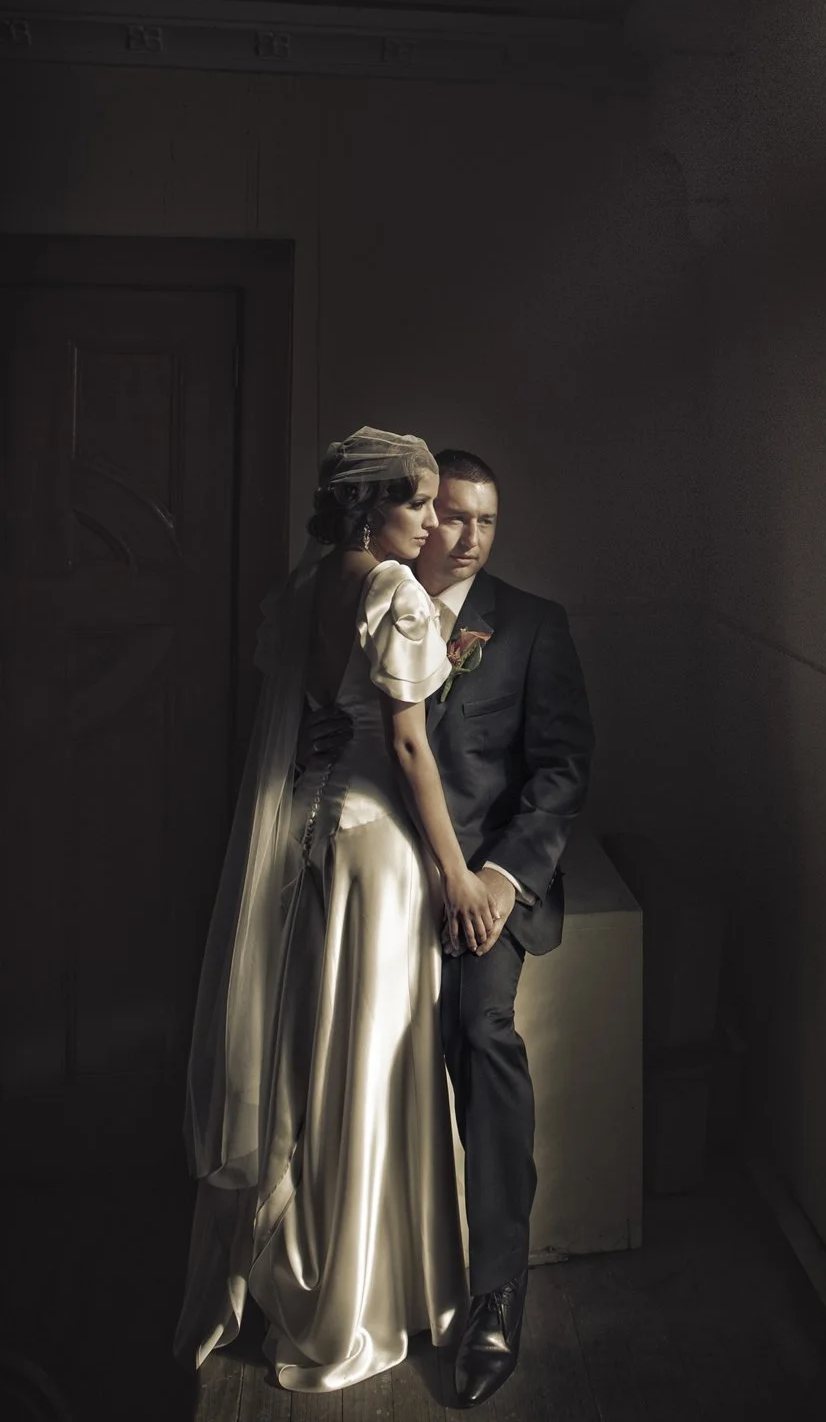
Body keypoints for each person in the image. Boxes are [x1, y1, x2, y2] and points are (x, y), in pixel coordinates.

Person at [175, 427, 502, 1393]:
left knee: (322, 1049)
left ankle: (320, 1265)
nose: (439, 523)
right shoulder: (393, 590)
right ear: (371, 508)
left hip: (315, 830)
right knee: (373, 1053)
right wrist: (455, 872)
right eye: (423, 507)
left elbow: (317, 705)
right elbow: (406, 749)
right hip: (381, 846)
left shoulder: (310, 582)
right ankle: (363, 1291)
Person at [300, 446, 594, 1408]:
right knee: (350, 1046)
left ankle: (498, 1290)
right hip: (384, 869)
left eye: (486, 522)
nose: (465, 538)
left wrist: (502, 880)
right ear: (420, 516)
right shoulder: (371, 599)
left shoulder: (532, 626)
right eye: (453, 516)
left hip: (485, 885)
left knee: (479, 1030)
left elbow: (559, 772)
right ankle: (369, 1274)